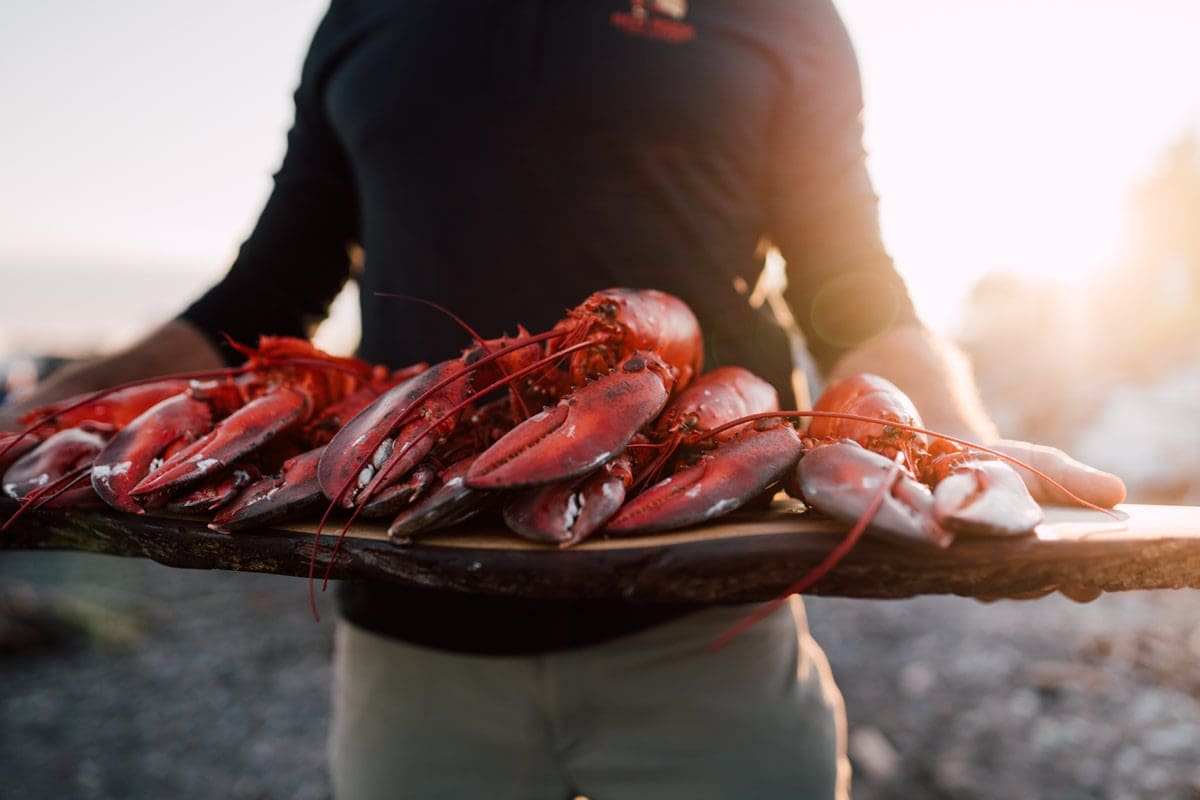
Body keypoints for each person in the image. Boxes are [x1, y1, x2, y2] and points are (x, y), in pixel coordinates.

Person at [1, 1, 1125, 797]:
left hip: (708, 633)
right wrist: (47, 406)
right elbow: (268, 291)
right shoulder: (362, 14)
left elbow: (857, 294)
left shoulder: (779, 10)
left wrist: (958, 445)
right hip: (410, 644)